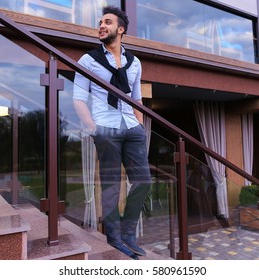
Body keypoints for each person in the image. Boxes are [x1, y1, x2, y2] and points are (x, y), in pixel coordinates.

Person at [73, 6, 151, 260]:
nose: (101, 26)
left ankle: (129, 235)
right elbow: (78, 99)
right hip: (105, 127)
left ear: (121, 29)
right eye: (100, 22)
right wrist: (93, 128)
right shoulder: (88, 60)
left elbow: (137, 98)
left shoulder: (134, 62)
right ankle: (114, 237)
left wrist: (140, 125)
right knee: (111, 186)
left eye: (107, 22)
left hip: (132, 127)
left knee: (143, 181)